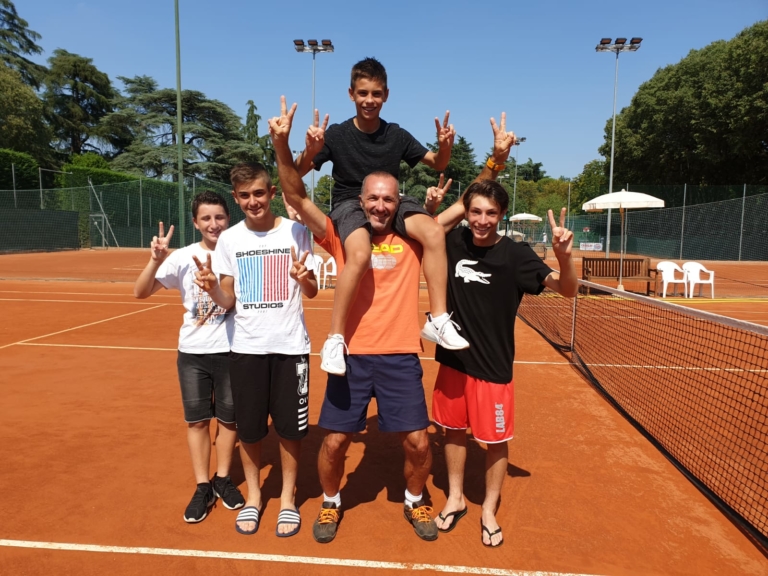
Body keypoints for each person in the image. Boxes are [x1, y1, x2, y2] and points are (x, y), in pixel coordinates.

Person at [270, 97, 441, 543]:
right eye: (373, 199)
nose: (380, 206)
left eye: (388, 199)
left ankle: (413, 499)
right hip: (351, 356)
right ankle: (330, 503)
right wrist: (282, 143)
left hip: (401, 354)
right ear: (359, 201)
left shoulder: (415, 236)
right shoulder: (341, 235)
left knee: (419, 442)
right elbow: (294, 194)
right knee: (334, 443)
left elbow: (472, 209)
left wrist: (496, 160)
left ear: (398, 201)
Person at [428, 116, 578, 547]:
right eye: (474, 211)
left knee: (494, 442)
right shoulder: (451, 241)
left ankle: (489, 509)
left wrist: (565, 257)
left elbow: (566, 291)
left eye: (490, 213)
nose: (480, 220)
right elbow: (437, 222)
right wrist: (493, 162)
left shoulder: (516, 255)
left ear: (501, 215)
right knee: (453, 434)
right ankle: (456, 497)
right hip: (454, 360)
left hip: (494, 367)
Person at [293, 57, 468, 377]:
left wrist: (445, 147)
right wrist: (310, 149)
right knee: (358, 253)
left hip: (392, 200)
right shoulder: (337, 134)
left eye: (375, 94)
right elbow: (300, 171)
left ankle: (438, 319)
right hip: (350, 202)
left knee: (432, 233)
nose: (369, 100)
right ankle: (335, 339)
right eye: (362, 93)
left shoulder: (396, 135)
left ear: (386, 94)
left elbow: (438, 164)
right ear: (351, 94)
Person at [193, 163, 318, 537]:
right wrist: (213, 287)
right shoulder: (230, 240)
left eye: (259, 193)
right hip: (246, 349)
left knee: (291, 432)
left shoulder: (297, 232)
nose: (253, 201)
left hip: (291, 348)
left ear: (272, 194)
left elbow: (310, 291)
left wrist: (305, 277)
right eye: (244, 195)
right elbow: (228, 299)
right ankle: (254, 498)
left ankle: (288, 500)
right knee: (249, 430)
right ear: (236, 198)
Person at [133, 191, 244, 523]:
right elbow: (140, 292)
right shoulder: (182, 257)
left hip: (230, 350)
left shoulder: (236, 252)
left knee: (228, 420)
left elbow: (228, 303)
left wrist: (213, 287)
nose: (214, 224)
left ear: (229, 219)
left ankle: (223, 479)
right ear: (195, 223)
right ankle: (202, 486)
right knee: (197, 421)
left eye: (220, 217)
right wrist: (156, 258)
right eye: (206, 218)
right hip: (192, 353)